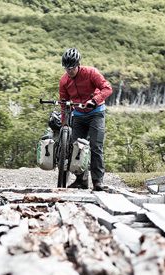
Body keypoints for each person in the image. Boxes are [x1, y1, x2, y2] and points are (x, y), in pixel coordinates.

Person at [59, 47, 113, 191]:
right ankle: (81, 181)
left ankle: (98, 182)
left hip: (96, 113)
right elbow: (63, 103)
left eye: (71, 68)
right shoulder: (64, 81)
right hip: (78, 115)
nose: (69, 71)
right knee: (76, 148)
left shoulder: (91, 73)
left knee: (95, 146)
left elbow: (107, 88)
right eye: (66, 68)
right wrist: (64, 123)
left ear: (78, 65)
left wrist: (95, 100)